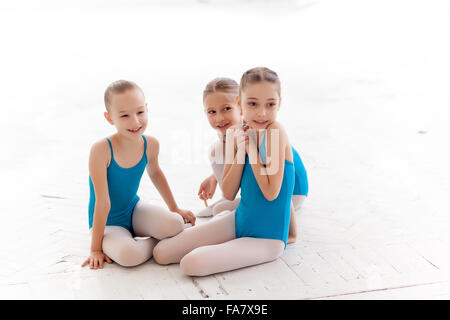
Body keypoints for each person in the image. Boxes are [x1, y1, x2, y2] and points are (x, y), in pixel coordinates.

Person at [153, 67, 304, 276]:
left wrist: (251, 148)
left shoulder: (276, 132)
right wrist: (241, 148)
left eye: (270, 104)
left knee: (190, 264)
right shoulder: (235, 132)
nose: (261, 112)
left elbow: (272, 193)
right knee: (161, 253)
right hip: (239, 220)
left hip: (267, 239)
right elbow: (229, 192)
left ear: (280, 103)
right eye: (253, 104)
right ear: (240, 104)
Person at [81, 80, 196, 270]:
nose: (135, 121)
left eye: (140, 112)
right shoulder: (101, 150)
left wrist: (175, 208)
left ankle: (156, 238)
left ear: (147, 108)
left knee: (175, 223)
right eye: (124, 115)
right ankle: (158, 243)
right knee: (129, 256)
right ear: (109, 118)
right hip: (107, 223)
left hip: (134, 210)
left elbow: (156, 173)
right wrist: (95, 249)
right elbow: (103, 202)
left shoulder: (150, 144)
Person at [197, 77, 308, 243]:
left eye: (227, 108)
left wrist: (290, 232)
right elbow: (245, 166)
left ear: (240, 106)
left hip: (291, 194)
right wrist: (213, 177)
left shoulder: (258, 130)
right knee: (217, 155)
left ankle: (232, 206)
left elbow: (283, 179)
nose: (219, 118)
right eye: (212, 112)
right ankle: (232, 202)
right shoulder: (233, 134)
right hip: (262, 191)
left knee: (217, 155)